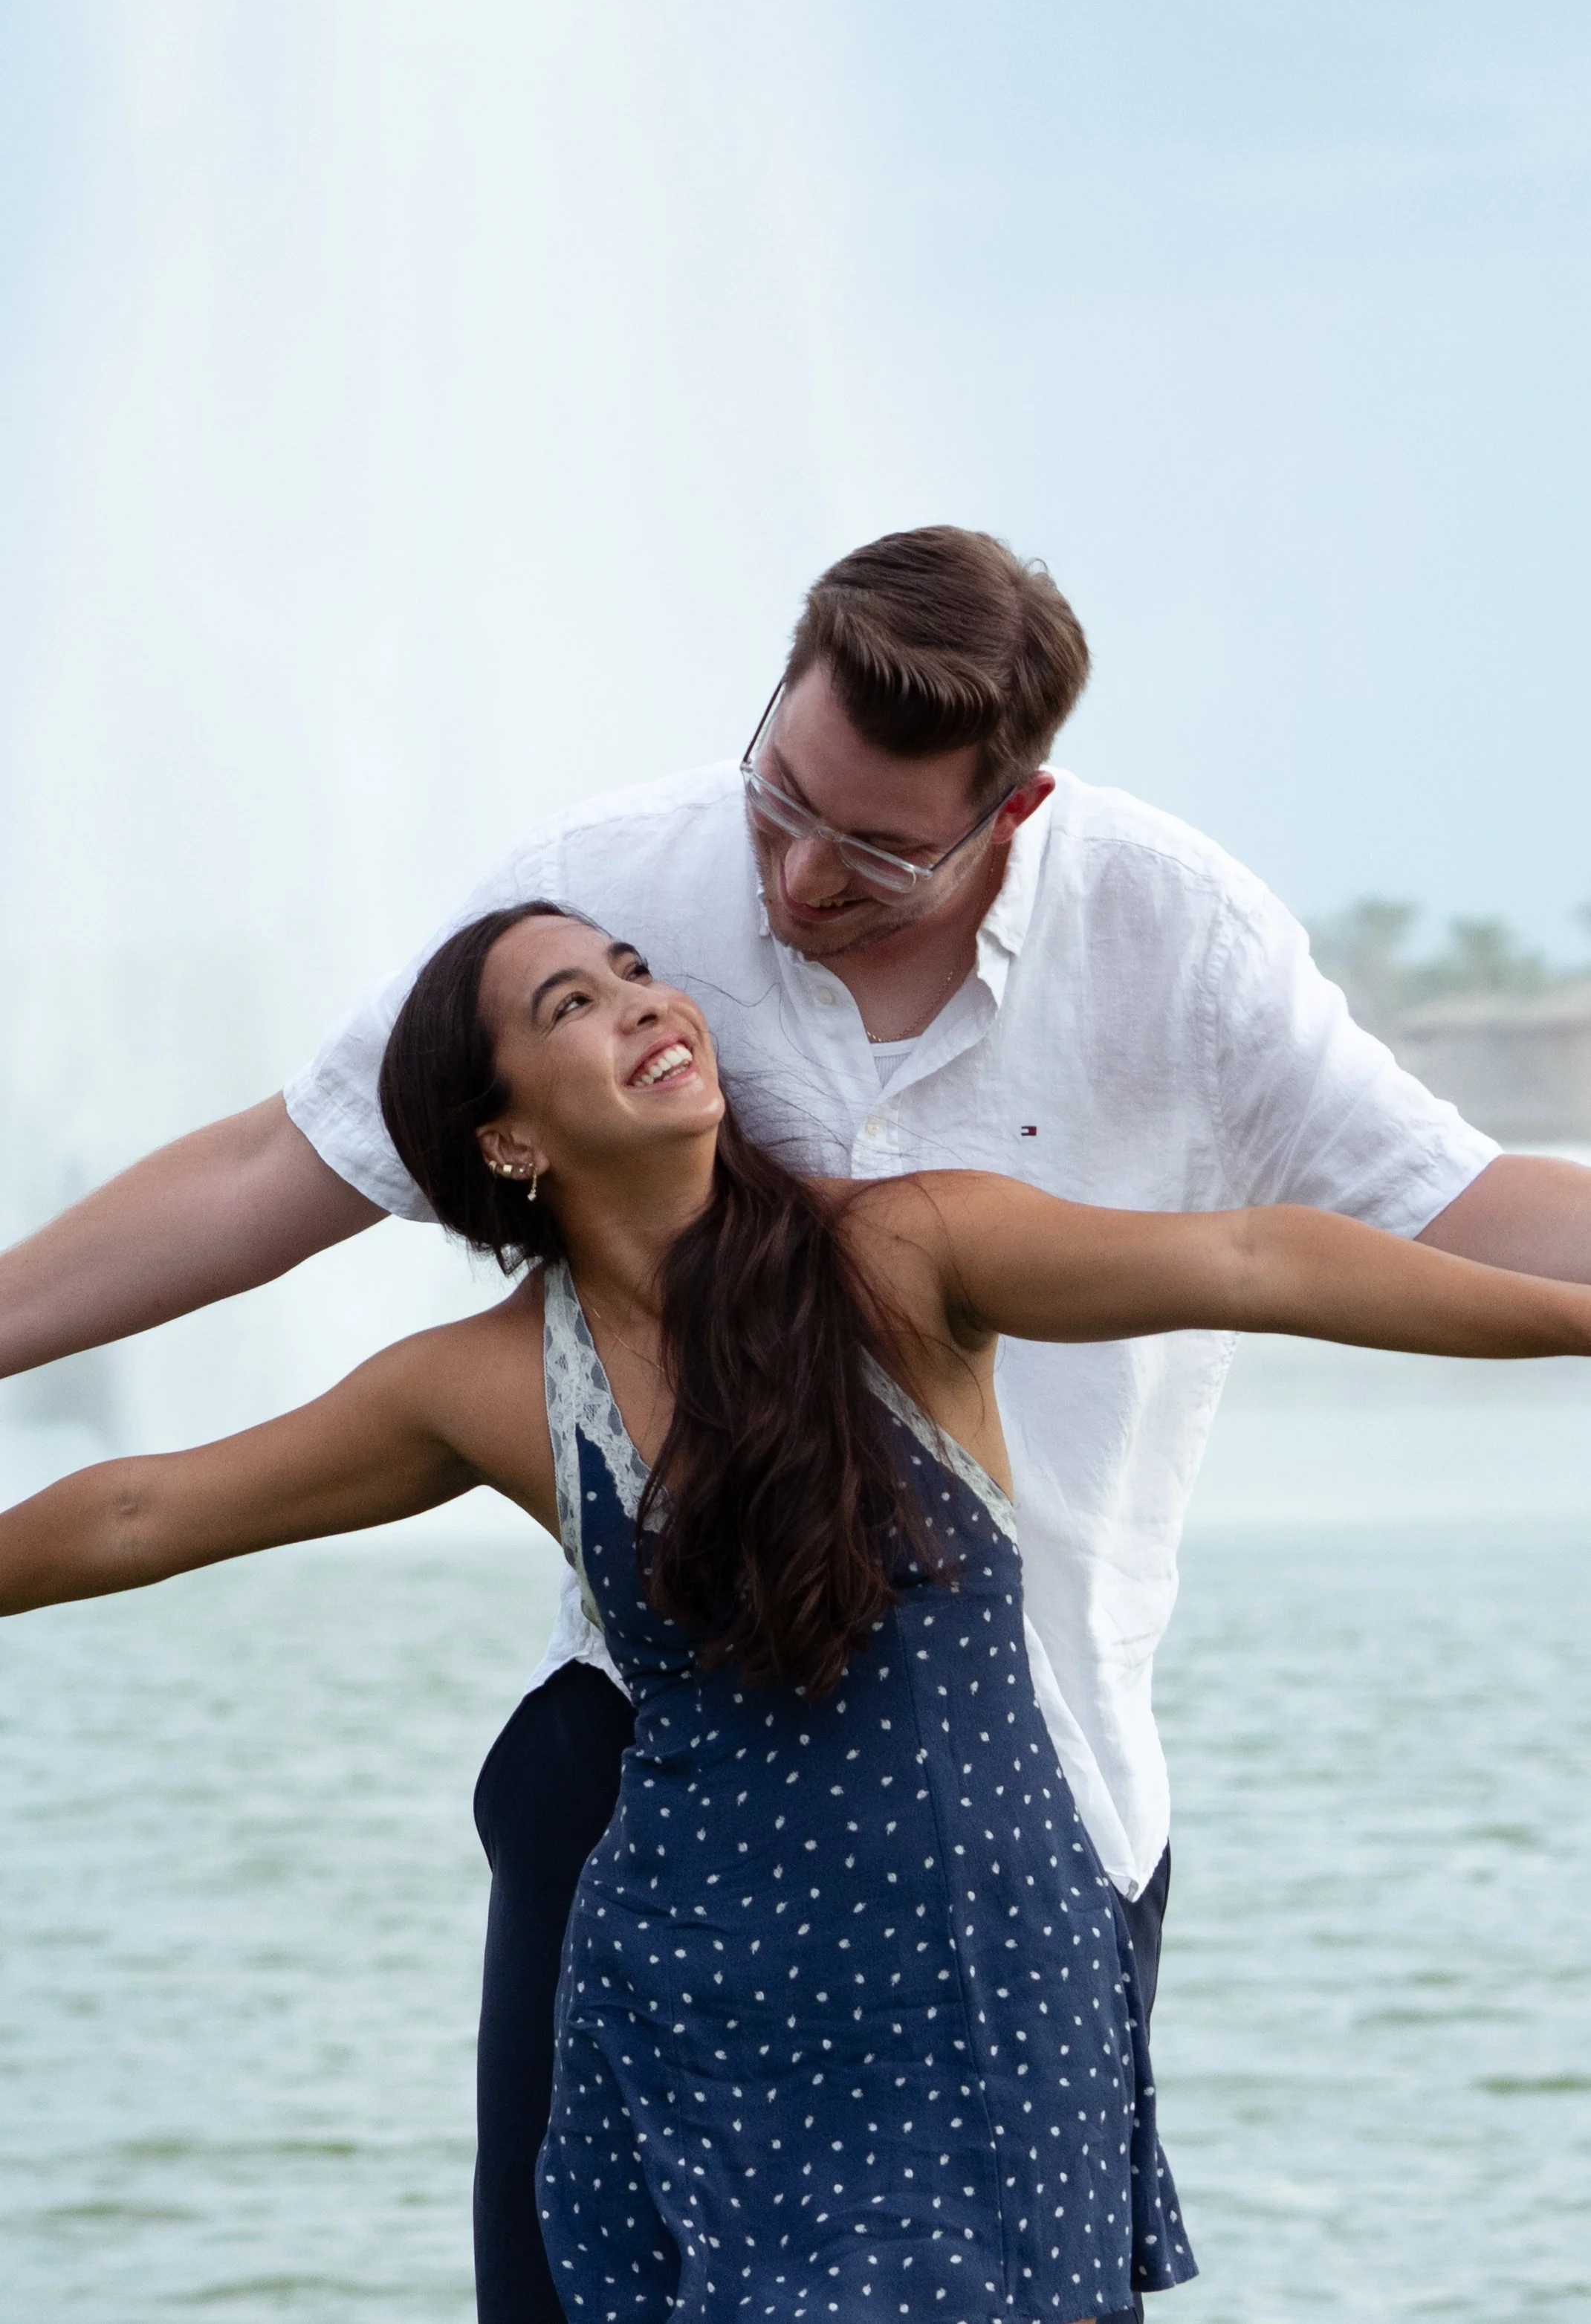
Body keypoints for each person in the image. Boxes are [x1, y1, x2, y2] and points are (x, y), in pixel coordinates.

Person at [7, 526, 1591, 2323]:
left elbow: (1318, 1240)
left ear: (1010, 812)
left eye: (870, 855)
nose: (779, 882)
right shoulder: (582, 980)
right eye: (774, 800)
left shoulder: (1029, 1102)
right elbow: (178, 1411)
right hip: (657, 1835)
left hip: (1018, 1820)